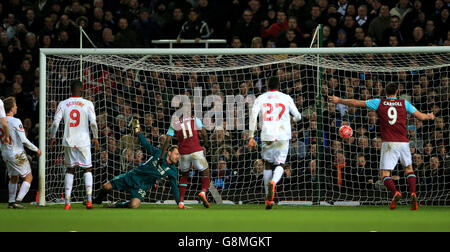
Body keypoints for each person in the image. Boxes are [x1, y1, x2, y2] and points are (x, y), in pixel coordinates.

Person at [330, 82, 435, 210]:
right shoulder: (404, 103)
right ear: (397, 92)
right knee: (409, 169)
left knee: (385, 174)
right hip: (404, 142)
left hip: (389, 142)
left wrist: (339, 100)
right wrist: (429, 116)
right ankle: (413, 192)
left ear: (385, 92)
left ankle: (395, 192)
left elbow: (357, 103)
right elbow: (420, 117)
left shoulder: (379, 102)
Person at [94, 119, 182, 209]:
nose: (178, 157)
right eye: (176, 154)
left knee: (134, 205)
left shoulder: (173, 170)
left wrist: (180, 203)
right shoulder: (159, 153)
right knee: (106, 186)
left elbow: (174, 188)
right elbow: (146, 145)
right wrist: (138, 132)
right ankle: (97, 200)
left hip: (143, 185)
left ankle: (117, 205)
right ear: (169, 153)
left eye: (179, 155)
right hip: (134, 175)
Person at [248, 76, 302, 209]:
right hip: (283, 135)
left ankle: (268, 199)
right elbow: (298, 116)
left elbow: (253, 116)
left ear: (267, 86)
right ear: (279, 86)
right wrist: (292, 121)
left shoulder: (260, 98)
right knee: (280, 164)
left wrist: (251, 136)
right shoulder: (286, 97)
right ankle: (274, 182)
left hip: (267, 134)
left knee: (267, 164)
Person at [49, 80, 100, 210]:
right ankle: (89, 200)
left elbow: (55, 123)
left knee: (70, 169)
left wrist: (53, 137)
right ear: (82, 89)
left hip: (68, 141)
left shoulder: (63, 103)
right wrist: (96, 137)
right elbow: (93, 123)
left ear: (70, 90)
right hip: (84, 141)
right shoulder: (88, 103)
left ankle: (67, 202)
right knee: (87, 169)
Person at [161, 114, 210, 208]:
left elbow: (167, 140)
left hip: (183, 152)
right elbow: (203, 133)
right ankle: (203, 192)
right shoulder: (195, 119)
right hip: (196, 150)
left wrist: (161, 156)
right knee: (205, 172)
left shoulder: (174, 123)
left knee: (184, 175)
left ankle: (181, 202)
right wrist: (206, 144)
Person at [0, 97, 42, 209]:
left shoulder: (1, 121)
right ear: (12, 109)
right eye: (15, 105)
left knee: (14, 177)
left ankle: (11, 202)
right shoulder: (15, 121)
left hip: (5, 153)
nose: (17, 107)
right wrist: (36, 149)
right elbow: (23, 140)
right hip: (16, 153)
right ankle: (18, 200)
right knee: (29, 177)